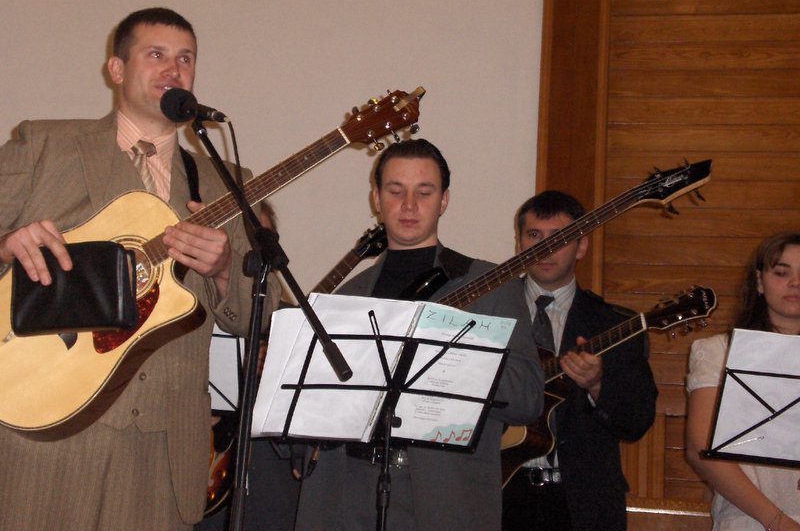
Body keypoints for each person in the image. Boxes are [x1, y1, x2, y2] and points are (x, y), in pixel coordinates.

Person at [0, 7, 281, 530]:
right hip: (43, 436)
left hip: (162, 449)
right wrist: (5, 247)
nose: (174, 69)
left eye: (186, 59)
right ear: (116, 69)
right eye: (156, 55)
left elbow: (262, 316)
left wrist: (224, 270)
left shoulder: (227, 182)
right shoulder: (44, 145)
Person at [293, 138, 544, 531]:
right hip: (346, 493)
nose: (409, 205)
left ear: (444, 201)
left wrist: (459, 358)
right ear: (377, 199)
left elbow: (528, 398)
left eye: (424, 192)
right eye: (396, 191)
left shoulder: (494, 284)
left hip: (444, 499)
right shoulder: (344, 297)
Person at [502, 190, 657, 531]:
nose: (544, 248)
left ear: (581, 246)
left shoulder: (615, 325)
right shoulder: (490, 312)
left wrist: (598, 385)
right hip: (497, 494)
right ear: (519, 244)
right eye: (534, 235)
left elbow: (637, 421)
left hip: (584, 505)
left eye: (559, 238)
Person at [685, 231, 800, 530]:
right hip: (750, 520)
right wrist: (777, 521)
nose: (795, 283)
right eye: (782, 272)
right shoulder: (718, 351)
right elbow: (700, 449)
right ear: (760, 282)